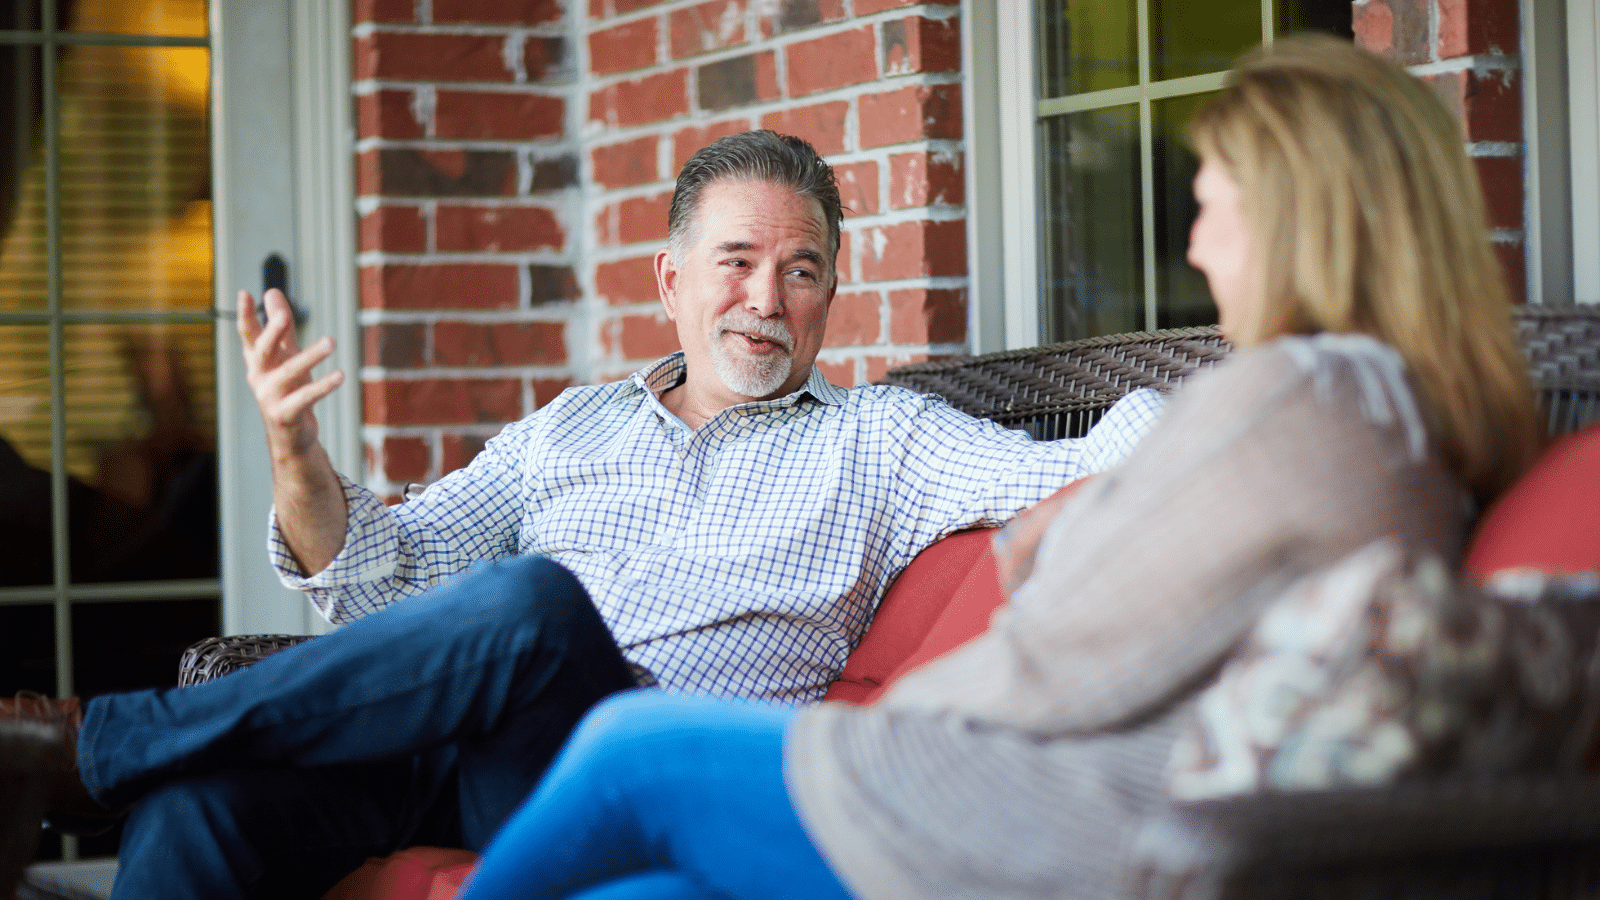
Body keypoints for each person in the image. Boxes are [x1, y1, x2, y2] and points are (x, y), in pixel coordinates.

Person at [451, 34, 1546, 900]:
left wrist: (865, 736)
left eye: (1209, 206)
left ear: (1296, 217)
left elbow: (1063, 652)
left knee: (631, 748)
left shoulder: (1297, 398)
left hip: (1056, 824)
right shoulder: (1398, 409)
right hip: (1106, 805)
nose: (1197, 249)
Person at [0, 131, 1164, 900]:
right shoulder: (571, 428)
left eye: (802, 271)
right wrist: (293, 453)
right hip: (450, 759)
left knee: (532, 604)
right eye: (738, 261)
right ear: (670, 280)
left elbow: (1128, 446)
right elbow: (378, 565)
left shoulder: (885, 441)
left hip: (632, 772)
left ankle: (97, 744)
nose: (766, 300)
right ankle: (129, 758)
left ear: (830, 296)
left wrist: (1257, 390)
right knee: (201, 816)